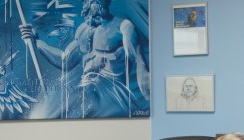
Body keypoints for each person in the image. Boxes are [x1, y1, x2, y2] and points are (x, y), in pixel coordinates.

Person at [19, 0, 149, 118]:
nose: (90, 5)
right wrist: (36, 42)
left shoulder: (123, 27)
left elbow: (139, 64)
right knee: (51, 110)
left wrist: (147, 99)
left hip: (112, 97)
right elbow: (65, 60)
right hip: (85, 95)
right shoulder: (83, 30)